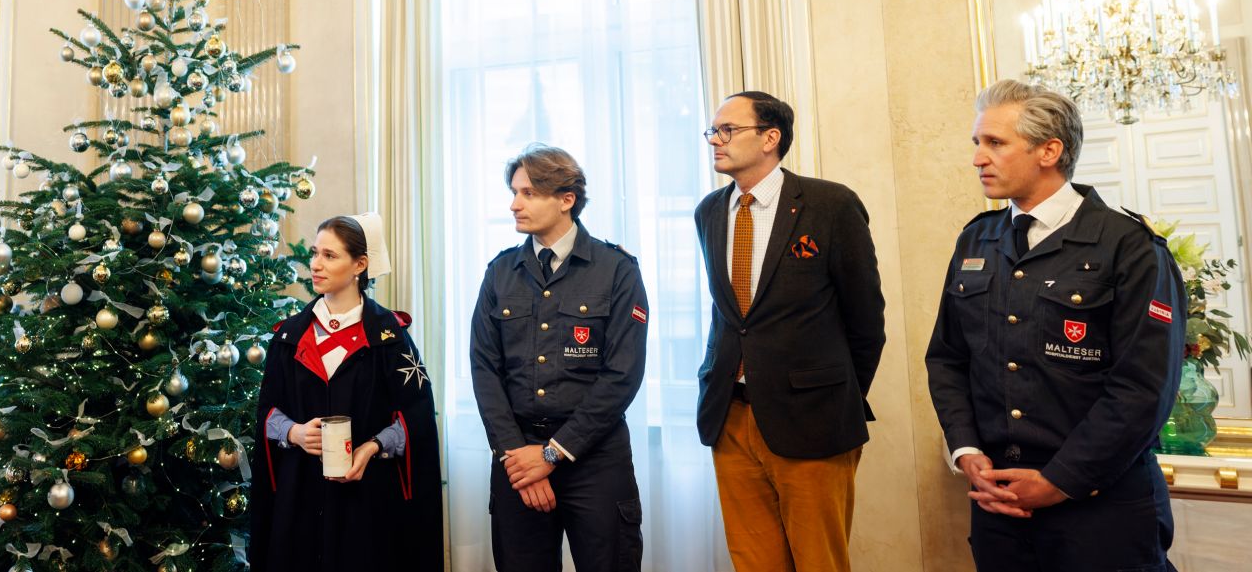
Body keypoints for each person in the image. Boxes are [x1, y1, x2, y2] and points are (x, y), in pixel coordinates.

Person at [927, 79, 1185, 572]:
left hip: (1101, 508)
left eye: (995, 143)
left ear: (1050, 150)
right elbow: (948, 358)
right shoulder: (976, 241)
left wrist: (1059, 481)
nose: (978, 158)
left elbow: (1142, 389)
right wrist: (965, 449)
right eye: (977, 143)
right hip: (999, 504)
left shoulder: (1127, 245)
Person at [692, 90, 886, 572]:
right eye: (713, 131)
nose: (715, 140)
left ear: (770, 138)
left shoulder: (830, 204)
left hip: (812, 416)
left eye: (727, 130)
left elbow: (866, 319)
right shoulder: (709, 211)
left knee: (819, 560)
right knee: (753, 561)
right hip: (731, 415)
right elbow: (729, 315)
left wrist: (834, 393)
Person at [469, 145, 648, 572]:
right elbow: (484, 369)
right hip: (516, 456)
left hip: (596, 458)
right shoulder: (500, 271)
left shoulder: (617, 269)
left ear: (566, 199)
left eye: (528, 193)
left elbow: (622, 375)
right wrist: (518, 456)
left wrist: (551, 455)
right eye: (514, 192)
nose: (514, 204)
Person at [249, 212, 443, 572]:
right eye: (314, 253)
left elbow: (415, 420)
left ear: (360, 265)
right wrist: (294, 432)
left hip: (369, 503)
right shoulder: (289, 337)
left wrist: (371, 448)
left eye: (329, 255)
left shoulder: (389, 338)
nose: (315, 264)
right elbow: (267, 413)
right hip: (300, 499)